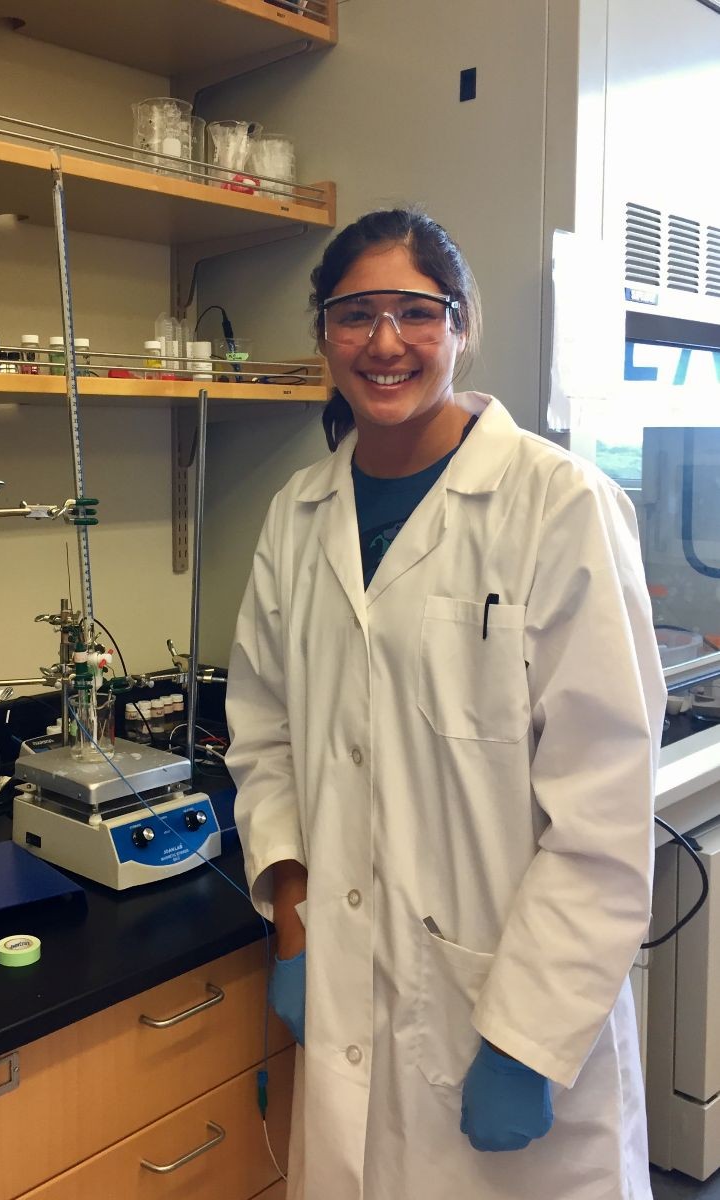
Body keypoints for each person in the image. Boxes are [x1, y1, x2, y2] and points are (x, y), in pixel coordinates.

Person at [225, 208, 666, 1200]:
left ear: (461, 325)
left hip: (507, 1013)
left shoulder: (558, 507)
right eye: (356, 314)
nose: (385, 343)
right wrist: (294, 922)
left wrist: (527, 1038)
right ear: (324, 335)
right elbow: (265, 738)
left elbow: (601, 813)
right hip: (348, 996)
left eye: (415, 312)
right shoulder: (296, 518)